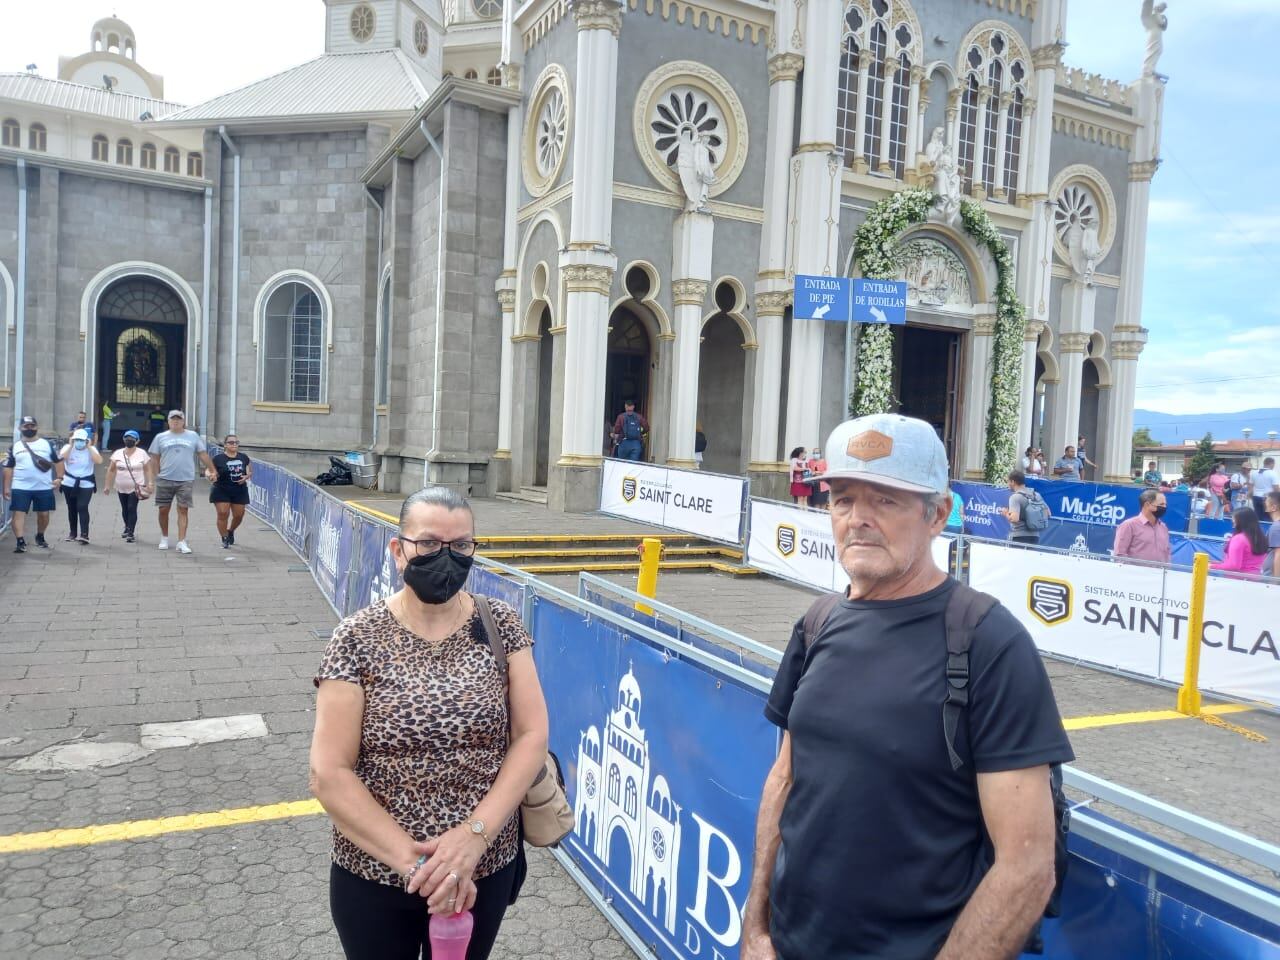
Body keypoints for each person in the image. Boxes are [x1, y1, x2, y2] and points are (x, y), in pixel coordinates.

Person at [741, 414, 1073, 960]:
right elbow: (784, 781)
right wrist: (756, 926)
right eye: (843, 499)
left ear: (937, 514)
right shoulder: (818, 623)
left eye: (886, 501)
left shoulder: (990, 643)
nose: (858, 519)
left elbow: (1028, 868)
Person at [309, 486, 548, 960]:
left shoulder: (500, 623)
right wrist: (423, 866)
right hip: (376, 868)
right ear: (398, 550)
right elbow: (328, 773)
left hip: (483, 866)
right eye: (430, 544)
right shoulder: (356, 637)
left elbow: (530, 735)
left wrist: (472, 839)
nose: (447, 557)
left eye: (461, 546)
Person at [147, 409, 215, 555]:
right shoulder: (160, 437)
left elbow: (202, 453)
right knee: (163, 509)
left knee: (183, 509)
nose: (176, 421)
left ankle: (181, 541)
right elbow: (154, 457)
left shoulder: (192, 436)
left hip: (186, 479)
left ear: (183, 421)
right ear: (169, 421)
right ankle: (164, 537)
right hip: (165, 478)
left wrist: (212, 469)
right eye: (173, 419)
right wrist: (155, 476)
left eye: (179, 419)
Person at [3, 415, 61, 554]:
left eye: (32, 426)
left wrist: (59, 478)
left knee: (44, 515)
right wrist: (6, 487)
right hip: (20, 487)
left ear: (37, 427)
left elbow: (58, 461)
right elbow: (8, 467)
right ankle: (20, 541)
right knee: (18, 513)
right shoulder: (14, 447)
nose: (29, 428)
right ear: (20, 428)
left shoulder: (47, 445)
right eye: (26, 426)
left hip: (43, 486)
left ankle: (40, 535)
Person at [104, 429, 151, 543]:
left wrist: (150, 483)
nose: (129, 440)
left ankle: (131, 532)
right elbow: (111, 470)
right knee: (124, 508)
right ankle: (127, 526)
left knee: (131, 507)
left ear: (137, 441)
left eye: (132, 438)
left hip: (136, 486)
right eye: (127, 438)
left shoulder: (142, 453)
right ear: (123, 439)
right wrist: (107, 486)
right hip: (121, 486)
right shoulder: (118, 453)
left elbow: (148, 469)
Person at [58, 428, 102, 544]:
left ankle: (84, 534)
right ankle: (73, 533)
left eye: (81, 440)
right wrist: (70, 446)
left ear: (86, 440)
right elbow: (61, 458)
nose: (79, 442)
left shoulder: (91, 449)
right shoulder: (68, 448)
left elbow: (99, 461)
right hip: (69, 482)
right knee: (71, 508)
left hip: (86, 483)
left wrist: (89, 447)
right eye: (76, 440)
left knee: (82, 506)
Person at [210, 435, 253, 548]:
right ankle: (224, 537)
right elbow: (209, 470)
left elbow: (249, 471)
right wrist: (211, 475)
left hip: (239, 490)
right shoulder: (218, 458)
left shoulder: (243, 457)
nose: (234, 444)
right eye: (231, 442)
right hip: (221, 489)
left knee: (239, 515)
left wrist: (246, 477)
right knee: (223, 513)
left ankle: (230, 531)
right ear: (225, 445)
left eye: (236, 442)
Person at [1112, 489, 1171, 564]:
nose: (1164, 507)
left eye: (1165, 504)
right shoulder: (1129, 525)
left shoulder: (1163, 528)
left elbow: (1167, 554)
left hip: (1159, 574)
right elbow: (1119, 555)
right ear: (1147, 505)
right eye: (1161, 504)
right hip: (1135, 574)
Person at [1209, 507, 1268, 576]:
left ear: (1240, 521)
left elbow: (1234, 565)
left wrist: (1211, 566)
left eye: (1234, 519)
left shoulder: (1239, 539)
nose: (1232, 521)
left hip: (1238, 581)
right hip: (1256, 579)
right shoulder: (1261, 538)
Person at [1002, 469, 1047, 546]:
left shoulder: (1015, 497)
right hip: (1035, 536)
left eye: (1008, 481)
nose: (1008, 484)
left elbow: (1014, 519)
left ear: (1013, 482)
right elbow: (1048, 513)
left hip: (1019, 536)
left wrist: (1005, 513)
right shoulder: (1036, 495)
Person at [806, 445, 830, 510]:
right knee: (815, 502)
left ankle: (821, 516)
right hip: (814, 484)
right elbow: (807, 470)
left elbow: (827, 471)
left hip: (823, 485)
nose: (815, 454)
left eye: (817, 453)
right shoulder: (810, 461)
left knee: (823, 502)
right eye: (814, 453)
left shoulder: (824, 461)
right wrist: (812, 473)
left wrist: (820, 472)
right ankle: (816, 516)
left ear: (820, 453)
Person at [1263, 491, 1280, 578]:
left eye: (1266, 501)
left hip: (1272, 579)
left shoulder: (1276, 527)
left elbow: (1278, 554)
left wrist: (1276, 581)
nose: (1264, 503)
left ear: (1274, 507)